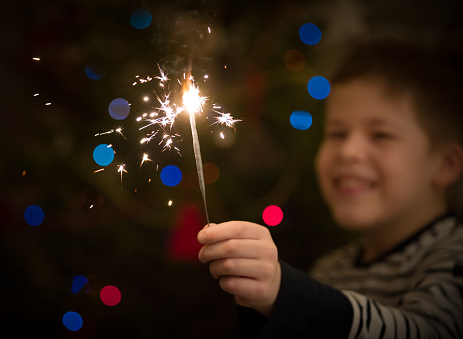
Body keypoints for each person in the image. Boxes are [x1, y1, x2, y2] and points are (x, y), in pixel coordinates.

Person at [197, 40, 463, 338]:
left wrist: (287, 293)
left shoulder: (455, 256)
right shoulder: (330, 271)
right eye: (337, 133)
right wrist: (262, 305)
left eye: (381, 135)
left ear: (445, 165)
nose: (349, 151)